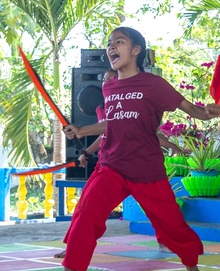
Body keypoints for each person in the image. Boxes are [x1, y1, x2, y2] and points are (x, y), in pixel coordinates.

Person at [48, 27, 218, 271]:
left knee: (171, 225)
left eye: (119, 42)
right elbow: (113, 122)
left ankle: (193, 268)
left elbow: (190, 109)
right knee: (85, 215)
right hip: (111, 166)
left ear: (136, 50)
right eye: (109, 43)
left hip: (147, 169)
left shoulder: (154, 85)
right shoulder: (109, 85)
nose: (111, 47)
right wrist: (81, 130)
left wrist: (208, 114)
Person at [57, 68, 185, 259]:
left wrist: (172, 145)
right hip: (109, 165)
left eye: (112, 78)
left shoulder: (132, 101)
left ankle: (165, 241)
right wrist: (86, 151)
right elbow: (105, 134)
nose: (107, 82)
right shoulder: (103, 107)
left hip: (139, 165)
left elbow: (146, 133)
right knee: (86, 205)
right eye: (105, 79)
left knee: (157, 208)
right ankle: (73, 247)